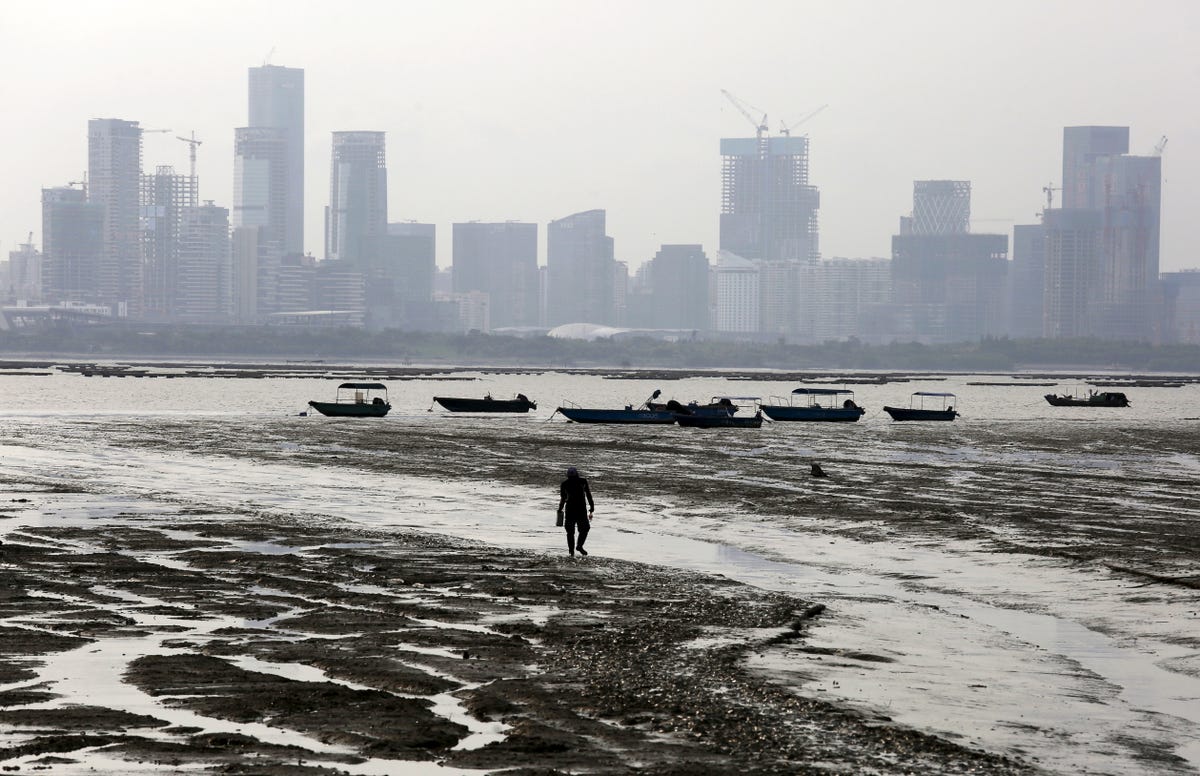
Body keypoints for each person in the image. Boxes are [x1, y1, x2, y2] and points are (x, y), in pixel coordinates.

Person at [557, 466, 594, 557]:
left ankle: (571, 552)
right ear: (577, 474)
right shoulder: (582, 482)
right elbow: (588, 495)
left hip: (570, 510)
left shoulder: (565, 484)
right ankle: (579, 546)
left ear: (568, 475)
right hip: (581, 510)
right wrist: (592, 506)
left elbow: (563, 499)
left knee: (570, 532)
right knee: (585, 529)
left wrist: (560, 509)